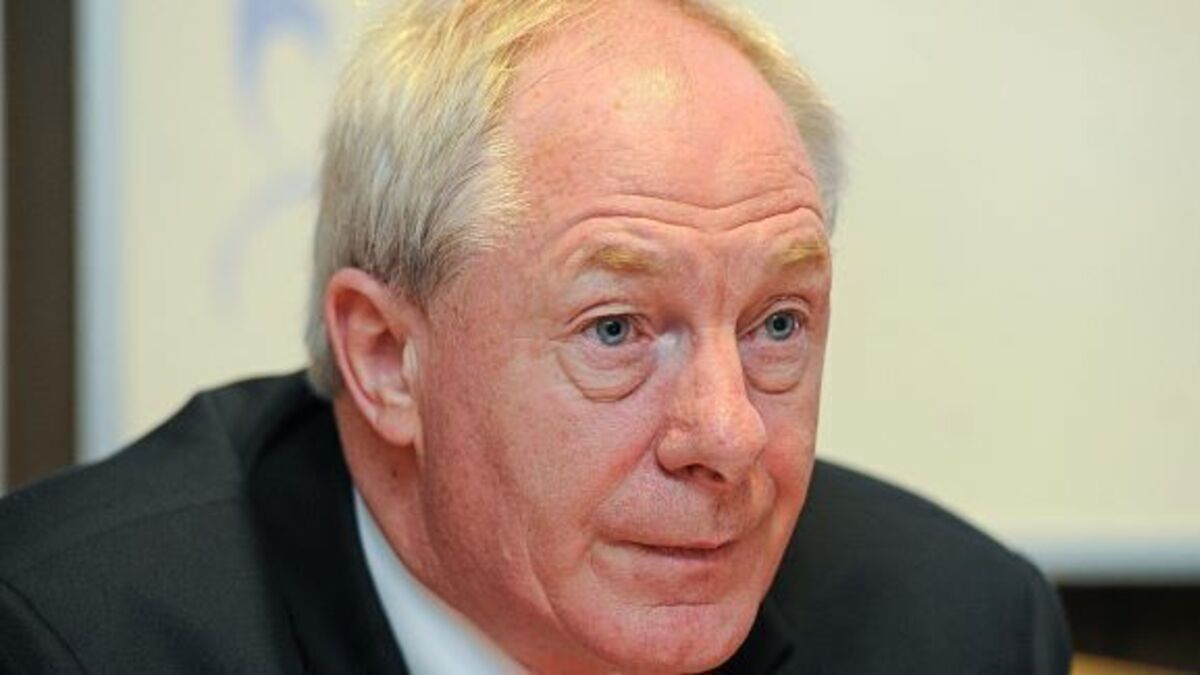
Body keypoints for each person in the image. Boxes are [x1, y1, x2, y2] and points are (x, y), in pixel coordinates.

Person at [0, 0, 1070, 672]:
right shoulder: (71, 638)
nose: (729, 434)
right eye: (616, 329)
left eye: (777, 323)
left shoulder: (956, 629)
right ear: (386, 358)